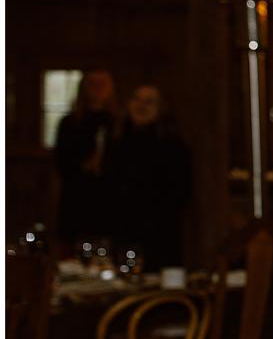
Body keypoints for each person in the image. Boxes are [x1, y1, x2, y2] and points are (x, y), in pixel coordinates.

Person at [106, 84, 192, 268]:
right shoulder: (116, 142)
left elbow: (180, 192)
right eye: (137, 99)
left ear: (160, 108)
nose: (141, 106)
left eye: (149, 102)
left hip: (158, 233)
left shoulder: (172, 145)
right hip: (121, 230)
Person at [53, 68, 119, 249]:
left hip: (110, 203)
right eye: (93, 84)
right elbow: (62, 163)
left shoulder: (119, 123)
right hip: (77, 202)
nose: (98, 89)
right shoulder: (70, 123)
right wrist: (85, 166)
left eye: (102, 84)